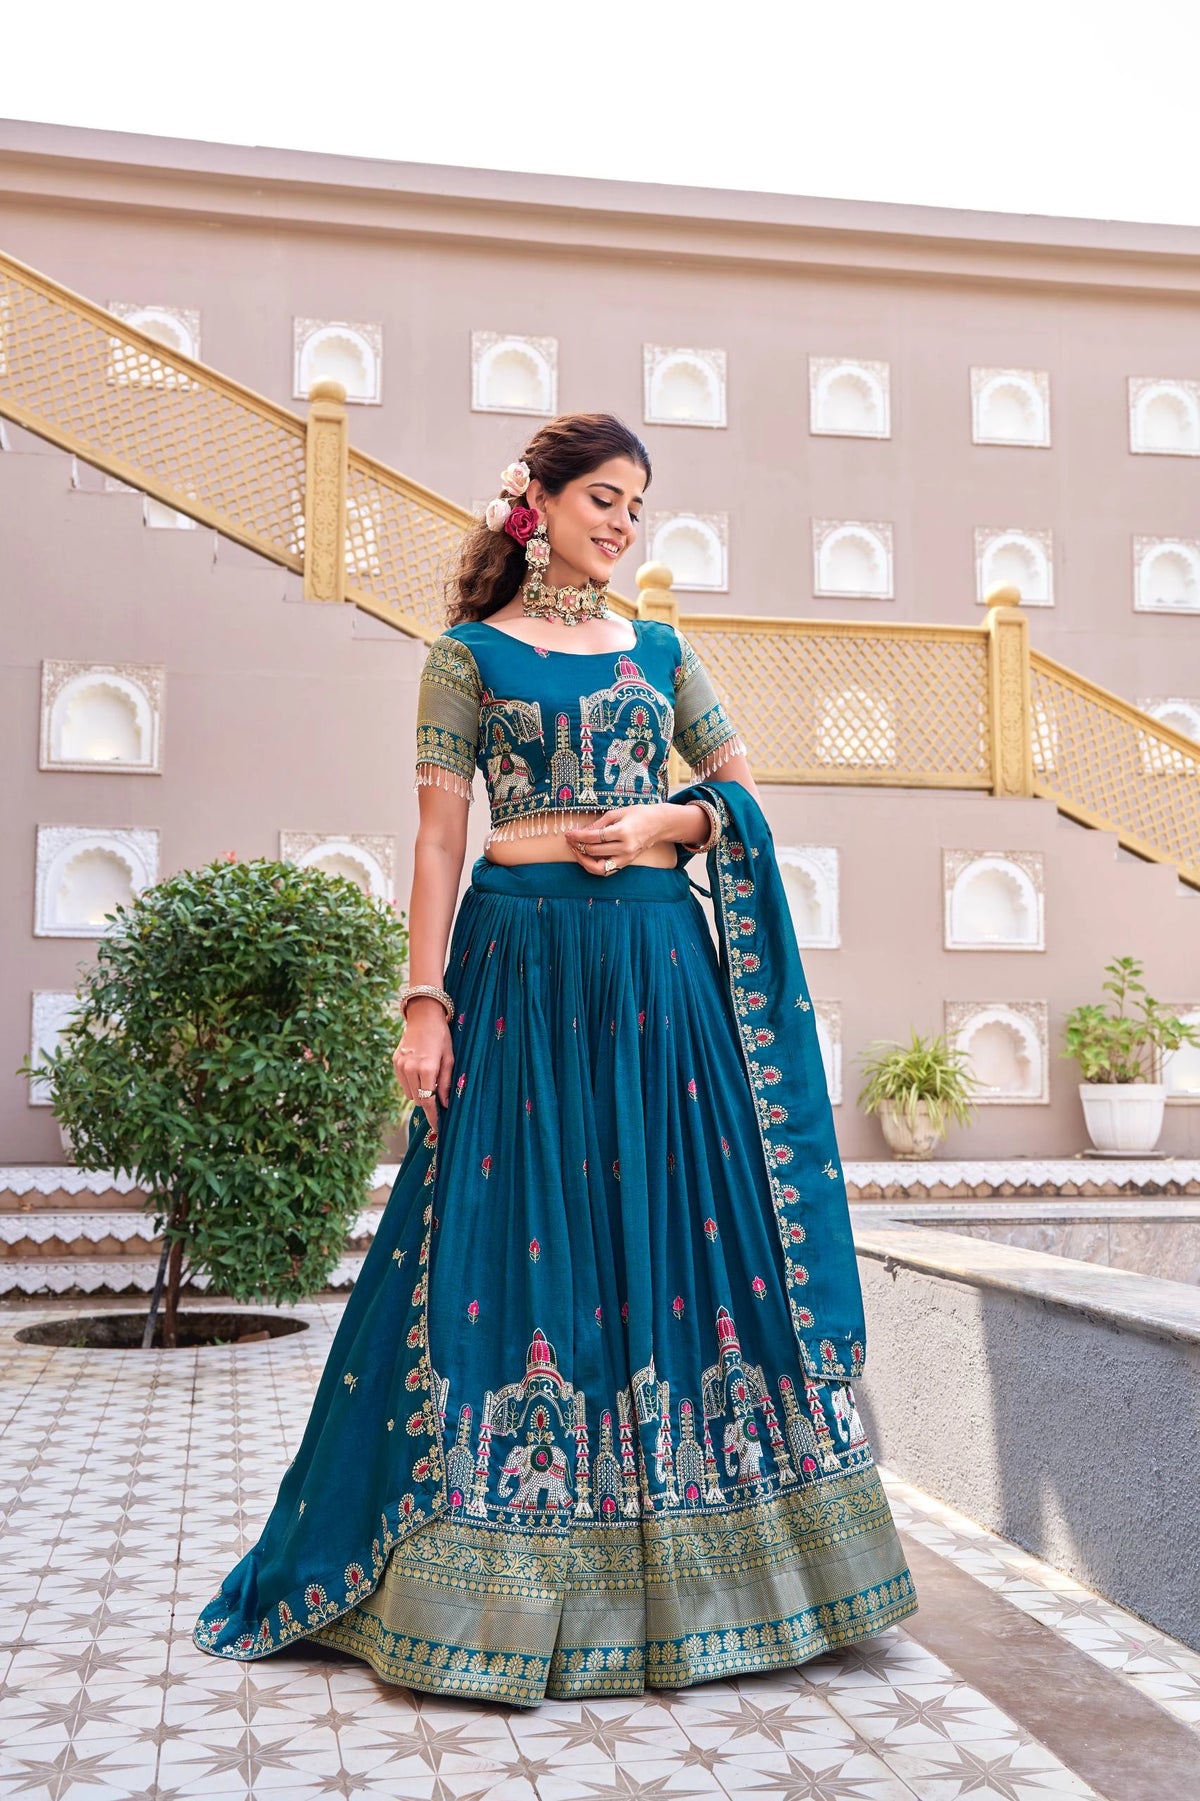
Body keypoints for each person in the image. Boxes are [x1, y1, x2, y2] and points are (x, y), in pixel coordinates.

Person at [194, 411, 915, 1706]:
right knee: (505, 1235)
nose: (623, 522)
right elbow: (434, 836)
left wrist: (665, 817)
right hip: (517, 960)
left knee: (677, 1226)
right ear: (539, 501)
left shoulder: (661, 650)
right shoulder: (465, 657)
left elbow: (739, 793)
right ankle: (477, 1577)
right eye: (604, 497)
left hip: (653, 963)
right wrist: (425, 1000)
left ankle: (725, 1578)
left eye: (638, 503)